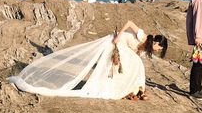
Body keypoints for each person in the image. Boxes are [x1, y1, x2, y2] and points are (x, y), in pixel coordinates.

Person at [9, 20, 167, 100]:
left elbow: (134, 61)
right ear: (156, 43)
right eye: (159, 48)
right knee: (134, 65)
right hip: (115, 43)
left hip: (120, 50)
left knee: (136, 66)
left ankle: (135, 89)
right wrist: (119, 36)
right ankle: (133, 89)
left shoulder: (144, 49)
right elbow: (129, 23)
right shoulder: (143, 37)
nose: (158, 50)